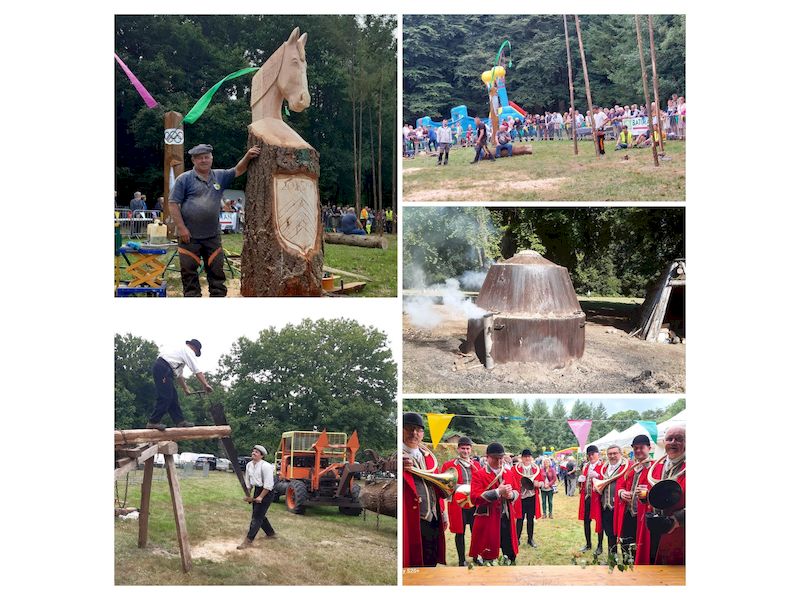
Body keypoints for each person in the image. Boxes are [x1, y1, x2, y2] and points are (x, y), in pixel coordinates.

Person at [169, 143, 261, 297]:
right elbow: (172, 204)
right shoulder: (183, 179)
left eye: (207, 157)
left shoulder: (220, 176)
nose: (204, 160)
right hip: (189, 236)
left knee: (217, 272)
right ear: (194, 160)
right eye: (200, 158)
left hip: (212, 236)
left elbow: (238, 170)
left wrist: (247, 156)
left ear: (211, 158)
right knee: (189, 273)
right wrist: (182, 228)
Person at [635, 426, 686, 565]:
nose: (673, 442)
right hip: (654, 530)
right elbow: (656, 496)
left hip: (679, 535)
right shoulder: (658, 466)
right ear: (664, 442)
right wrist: (645, 498)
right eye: (670, 439)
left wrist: (677, 519)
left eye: (679, 439)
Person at [402, 412, 447, 567]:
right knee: (415, 562)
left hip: (433, 517)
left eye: (418, 430)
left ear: (422, 434)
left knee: (431, 561)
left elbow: (436, 486)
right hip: (414, 517)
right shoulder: (399, 456)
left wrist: (443, 513)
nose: (414, 433)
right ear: (401, 430)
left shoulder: (428, 457)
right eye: (409, 428)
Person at [470, 442, 520, 564]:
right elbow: (474, 497)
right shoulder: (479, 474)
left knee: (510, 555)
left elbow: (517, 490)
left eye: (501, 458)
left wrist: (511, 495)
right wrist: (498, 492)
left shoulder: (508, 473)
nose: (499, 462)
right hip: (489, 520)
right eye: (495, 458)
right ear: (487, 457)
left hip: (506, 518)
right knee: (489, 556)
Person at [146, 339, 213, 430]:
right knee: (165, 396)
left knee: (173, 397)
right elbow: (197, 370)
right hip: (163, 369)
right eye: (196, 352)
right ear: (194, 348)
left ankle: (180, 421)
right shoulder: (188, 351)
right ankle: (153, 422)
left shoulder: (179, 355)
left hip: (165, 369)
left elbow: (179, 376)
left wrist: (185, 389)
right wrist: (206, 384)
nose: (195, 355)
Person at [613, 434, 653, 559]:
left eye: (641, 447)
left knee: (640, 546)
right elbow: (620, 484)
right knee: (625, 544)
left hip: (643, 516)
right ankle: (626, 568)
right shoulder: (630, 467)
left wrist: (648, 493)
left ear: (649, 448)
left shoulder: (655, 467)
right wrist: (621, 493)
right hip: (627, 513)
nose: (638, 450)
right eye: (635, 448)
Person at [441, 437, 476, 566]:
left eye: (467, 449)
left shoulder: (476, 465)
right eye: (463, 448)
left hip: (473, 504)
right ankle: (462, 560)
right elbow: (444, 485)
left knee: (475, 531)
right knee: (460, 532)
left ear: (471, 450)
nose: (465, 451)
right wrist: (460, 488)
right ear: (458, 449)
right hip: (458, 504)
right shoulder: (449, 465)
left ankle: (476, 556)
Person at [237, 444, 276, 549]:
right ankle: (271, 533)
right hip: (258, 490)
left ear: (262, 456)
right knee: (259, 514)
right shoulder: (249, 465)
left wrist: (261, 497)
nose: (253, 453)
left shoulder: (266, 466)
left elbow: (268, 485)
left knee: (256, 517)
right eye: (253, 451)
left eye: (257, 452)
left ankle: (248, 540)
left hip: (267, 492)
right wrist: (248, 495)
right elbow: (248, 483)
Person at [599, 445, 627, 556]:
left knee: (623, 536)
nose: (612, 456)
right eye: (610, 454)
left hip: (620, 507)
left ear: (620, 454)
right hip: (606, 506)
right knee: (609, 534)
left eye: (615, 453)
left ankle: (626, 561)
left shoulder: (625, 467)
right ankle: (612, 560)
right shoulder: (605, 468)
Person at [512, 449, 542, 548]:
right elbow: (512, 482)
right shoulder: (515, 469)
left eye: (529, 456)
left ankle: (530, 539)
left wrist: (539, 484)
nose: (527, 458)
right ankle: (517, 539)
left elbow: (542, 481)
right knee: (519, 519)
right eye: (525, 457)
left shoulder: (536, 469)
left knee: (530, 519)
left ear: (531, 458)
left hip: (532, 497)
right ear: (522, 458)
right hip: (521, 498)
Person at [577, 445, 604, 554]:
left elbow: (606, 480)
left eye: (593, 454)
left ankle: (600, 546)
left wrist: (598, 476)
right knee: (586, 521)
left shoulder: (602, 466)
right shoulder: (585, 466)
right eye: (589, 454)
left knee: (599, 521)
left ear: (598, 454)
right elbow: (582, 483)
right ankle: (588, 544)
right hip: (587, 497)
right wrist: (580, 481)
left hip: (597, 498)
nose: (591, 456)